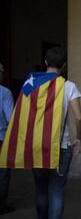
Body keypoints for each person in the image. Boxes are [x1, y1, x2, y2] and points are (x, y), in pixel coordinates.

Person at [0, 47, 81, 219]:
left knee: (40, 188)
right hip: (61, 146)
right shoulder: (69, 86)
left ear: (45, 62)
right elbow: (79, 117)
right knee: (57, 189)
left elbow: (21, 115)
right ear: (64, 65)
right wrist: (79, 138)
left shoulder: (29, 84)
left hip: (36, 145)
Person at [0, 63, 14, 215]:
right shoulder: (4, 92)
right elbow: (10, 118)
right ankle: (1, 206)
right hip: (1, 139)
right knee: (3, 174)